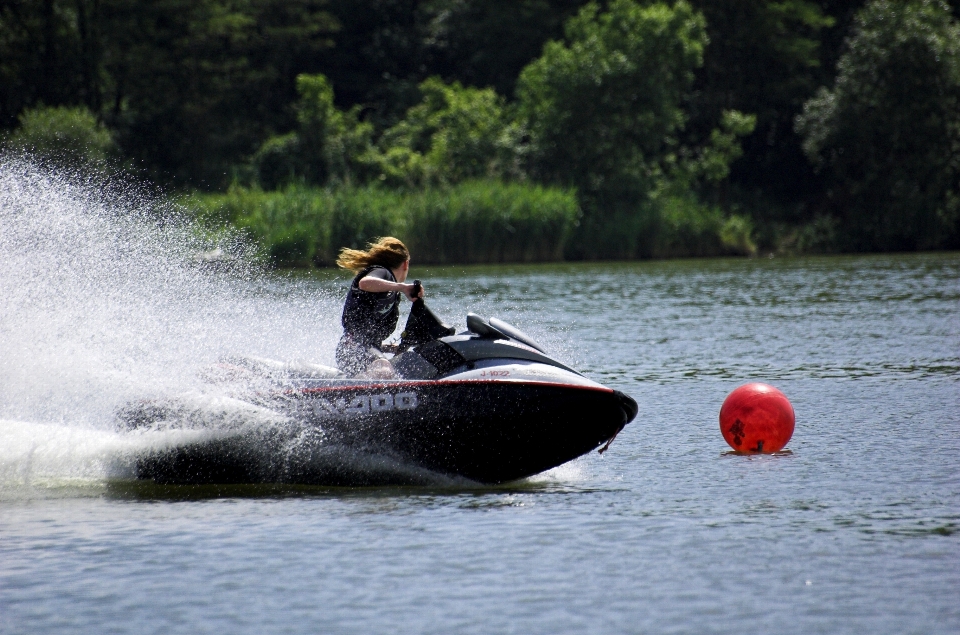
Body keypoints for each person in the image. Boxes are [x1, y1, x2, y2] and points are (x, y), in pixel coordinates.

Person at [335, 237, 424, 377]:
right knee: (384, 369)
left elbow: (369, 339)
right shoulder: (383, 272)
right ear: (405, 264)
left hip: (353, 350)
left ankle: (359, 387)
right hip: (353, 348)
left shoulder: (389, 291)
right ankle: (359, 393)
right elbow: (364, 283)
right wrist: (403, 287)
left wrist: (389, 348)